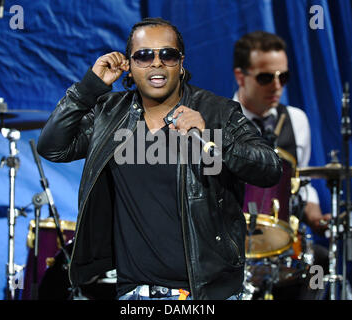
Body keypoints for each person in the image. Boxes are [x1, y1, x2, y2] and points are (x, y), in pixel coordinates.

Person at [37, 18, 282, 300]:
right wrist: (89, 88)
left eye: (167, 54)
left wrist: (213, 140)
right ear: (128, 64)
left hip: (207, 293)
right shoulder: (109, 114)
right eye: (143, 55)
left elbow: (270, 168)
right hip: (135, 293)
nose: (156, 63)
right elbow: (53, 147)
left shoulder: (217, 112)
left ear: (181, 63)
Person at [233, 31, 331, 299]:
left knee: (318, 263)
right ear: (241, 76)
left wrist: (316, 218)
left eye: (283, 77)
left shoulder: (297, 120)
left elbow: (301, 182)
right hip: (232, 242)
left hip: (284, 242)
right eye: (266, 77)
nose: (277, 86)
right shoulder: (220, 121)